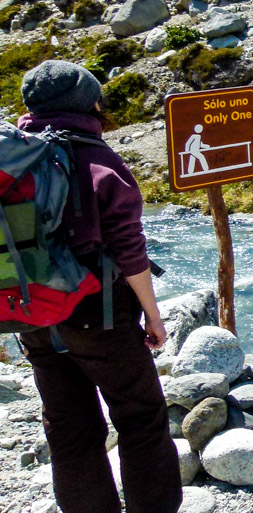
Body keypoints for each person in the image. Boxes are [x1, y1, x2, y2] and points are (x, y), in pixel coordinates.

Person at [15, 61, 182, 513]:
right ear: (90, 103)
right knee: (140, 418)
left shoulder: (12, 158)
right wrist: (153, 313)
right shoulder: (98, 159)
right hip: (98, 314)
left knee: (69, 429)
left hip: (30, 313)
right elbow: (129, 249)